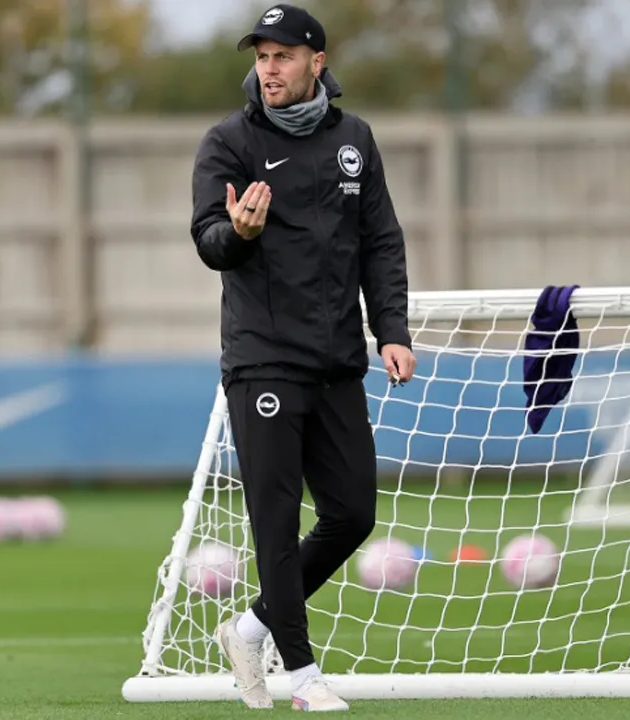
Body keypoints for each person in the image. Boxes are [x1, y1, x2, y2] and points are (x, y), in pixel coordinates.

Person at [188, 3, 416, 711]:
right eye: (261, 56)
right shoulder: (227, 141)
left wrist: (393, 329)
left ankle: (251, 626)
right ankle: (303, 675)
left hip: (337, 358)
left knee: (353, 513)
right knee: (276, 522)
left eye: (284, 55)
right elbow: (207, 240)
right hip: (263, 360)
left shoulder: (355, 140)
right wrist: (239, 231)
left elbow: (381, 242)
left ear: (317, 61)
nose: (270, 68)